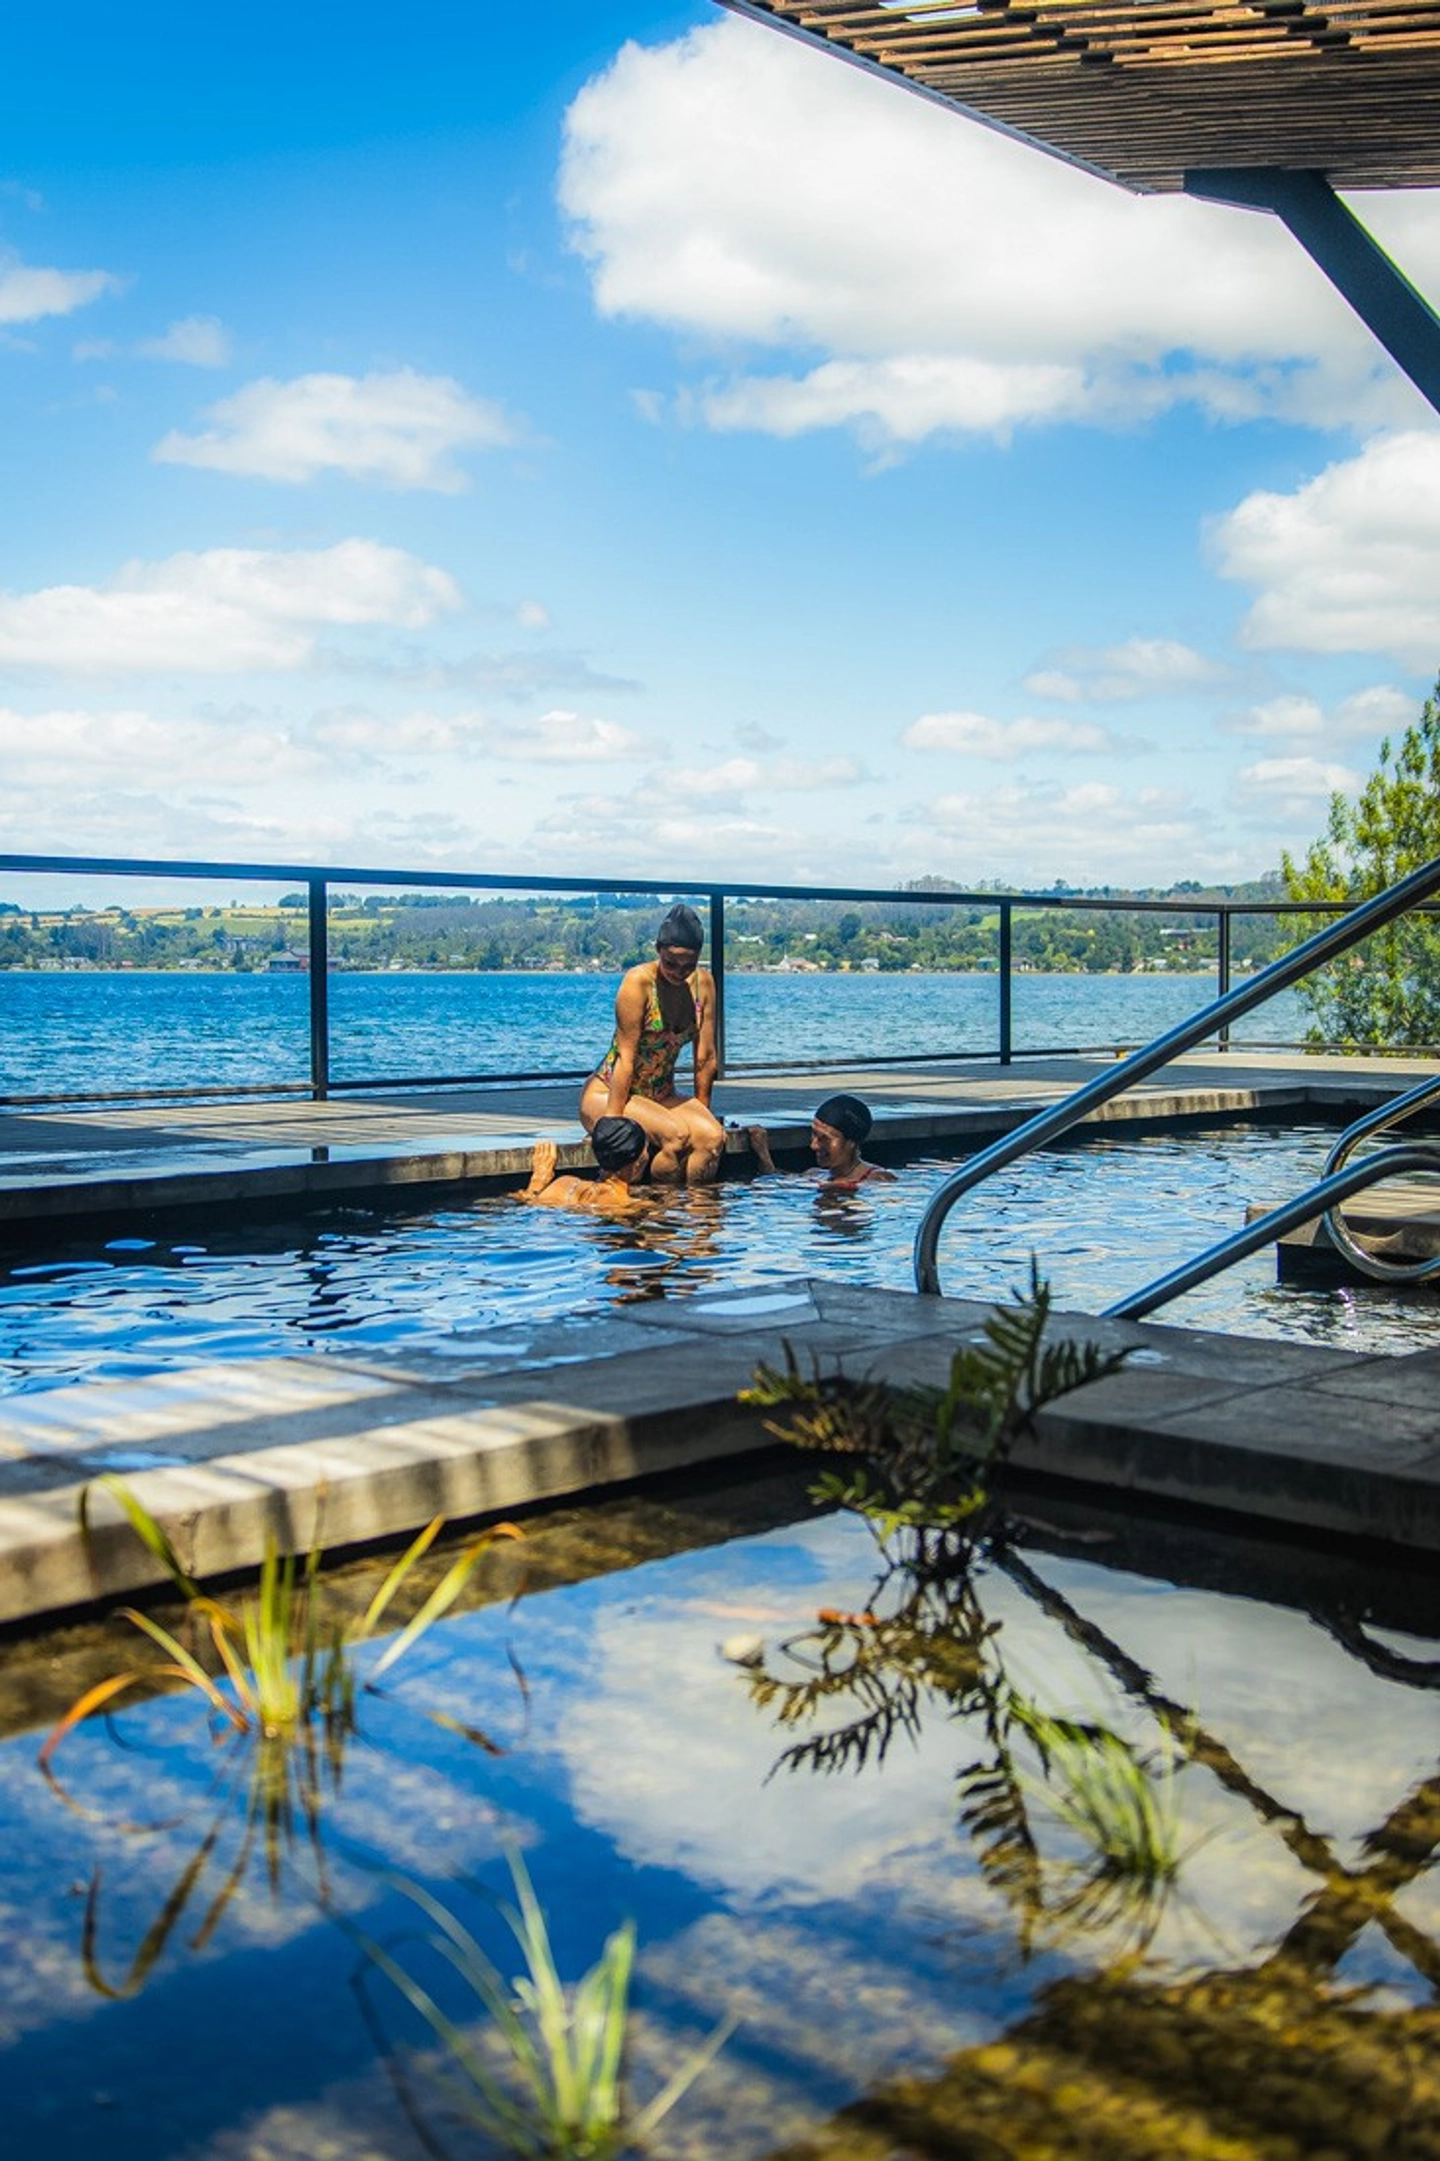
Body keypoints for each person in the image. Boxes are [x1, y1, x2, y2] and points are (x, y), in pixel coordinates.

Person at [580, 902, 725, 1186]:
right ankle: (661, 1219)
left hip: (661, 1094)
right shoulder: (638, 984)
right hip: (609, 1093)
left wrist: (703, 1113)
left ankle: (700, 1218)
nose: (679, 972)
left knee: (712, 1136)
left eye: (688, 965)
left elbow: (706, 1059)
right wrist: (613, 1126)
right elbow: (626, 1058)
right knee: (676, 1136)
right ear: (658, 949)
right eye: (671, 963)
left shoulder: (703, 985)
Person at [745, 1093, 896, 1190]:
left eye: (825, 1139)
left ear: (851, 1143)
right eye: (814, 1135)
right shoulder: (815, 1174)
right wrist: (762, 1152)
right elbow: (774, 1181)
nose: (814, 1145)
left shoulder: (879, 1179)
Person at [521, 1117, 653, 1216]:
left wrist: (538, 1180)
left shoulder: (565, 1185)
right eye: (646, 1150)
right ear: (636, 1163)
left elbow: (532, 1207)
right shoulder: (636, 1207)